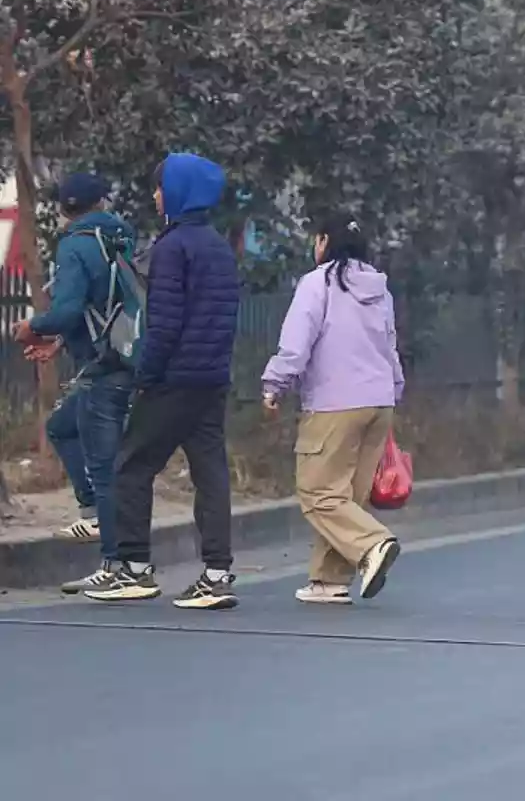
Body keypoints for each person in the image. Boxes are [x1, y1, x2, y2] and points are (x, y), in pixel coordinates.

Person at [85, 153, 241, 610]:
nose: (155, 196)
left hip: (174, 378)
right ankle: (217, 573)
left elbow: (166, 324)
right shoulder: (216, 245)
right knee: (210, 473)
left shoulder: (173, 248)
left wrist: (145, 376)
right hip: (211, 378)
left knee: (132, 465)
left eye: (159, 188)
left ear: (176, 191)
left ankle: (134, 569)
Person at [259, 219, 406, 606]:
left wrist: (275, 384)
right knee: (347, 496)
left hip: (335, 403)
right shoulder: (380, 288)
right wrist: (394, 390)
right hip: (379, 402)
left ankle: (373, 542)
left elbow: (296, 343)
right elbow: (390, 346)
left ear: (325, 241)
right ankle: (329, 581)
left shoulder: (318, 283)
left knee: (318, 493)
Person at [10, 174, 137, 594]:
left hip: (103, 368)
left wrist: (34, 327)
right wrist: (61, 341)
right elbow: (104, 302)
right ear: (101, 201)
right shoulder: (120, 237)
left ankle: (116, 564)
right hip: (123, 354)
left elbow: (66, 308)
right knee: (63, 428)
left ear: (64, 209)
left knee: (103, 465)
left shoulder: (75, 245)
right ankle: (96, 514)